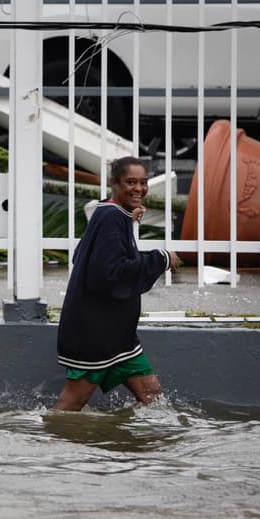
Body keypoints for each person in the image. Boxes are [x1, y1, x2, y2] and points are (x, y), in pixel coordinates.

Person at [52, 156, 180, 412]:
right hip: (95, 335)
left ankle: (139, 449)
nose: (139, 188)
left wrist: (130, 220)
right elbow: (109, 274)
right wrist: (161, 259)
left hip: (117, 335)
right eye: (130, 182)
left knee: (154, 398)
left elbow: (87, 257)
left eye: (143, 182)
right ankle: (46, 446)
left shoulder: (110, 212)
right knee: (71, 404)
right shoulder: (112, 217)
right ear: (114, 183)